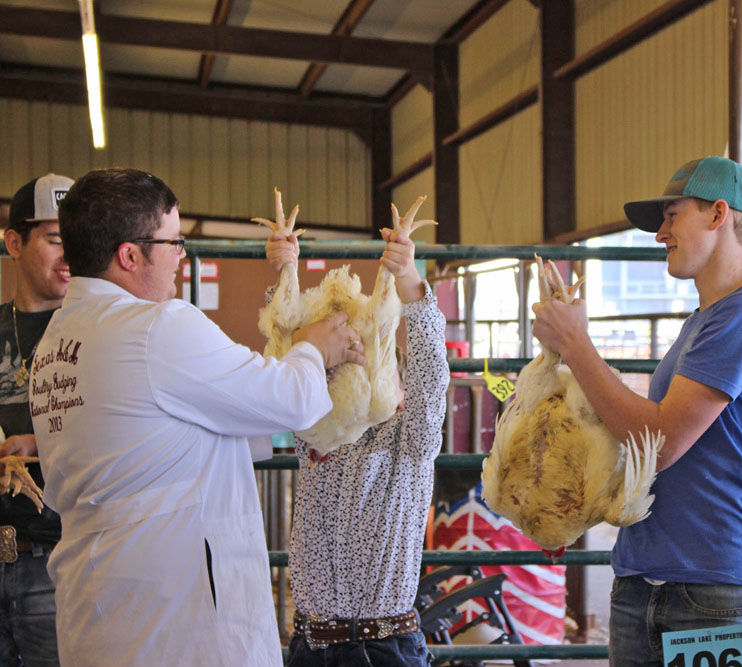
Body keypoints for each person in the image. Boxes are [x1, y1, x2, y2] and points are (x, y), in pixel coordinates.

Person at [28, 168, 365, 667]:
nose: (181, 256)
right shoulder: (156, 328)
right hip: (174, 625)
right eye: (174, 242)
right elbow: (291, 399)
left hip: (98, 613)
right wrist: (314, 348)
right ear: (129, 255)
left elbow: (167, 433)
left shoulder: (56, 345)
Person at [531, 156, 742, 666]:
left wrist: (577, 345)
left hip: (713, 591)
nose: (660, 234)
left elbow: (662, 442)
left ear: (718, 214)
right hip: (645, 579)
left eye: (673, 216)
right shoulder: (704, 320)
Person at [264, 207, 449, 666]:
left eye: (372, 362)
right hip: (312, 644)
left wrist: (409, 280)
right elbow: (286, 358)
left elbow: (431, 377)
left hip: (383, 646)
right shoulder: (315, 431)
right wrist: (285, 272)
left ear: (398, 385)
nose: (355, 361)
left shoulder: (410, 443)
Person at [0, 173, 73, 667]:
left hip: (58, 565)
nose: (70, 255)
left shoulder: (93, 333)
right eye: (54, 239)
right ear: (14, 243)